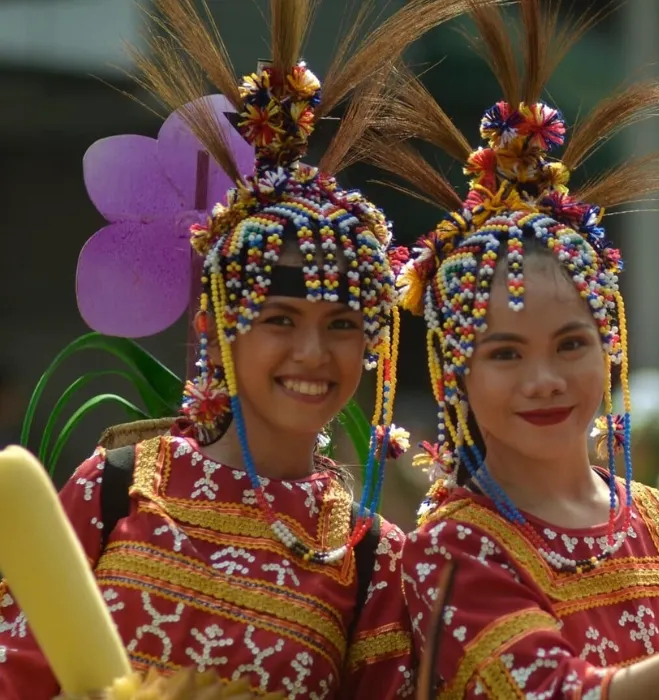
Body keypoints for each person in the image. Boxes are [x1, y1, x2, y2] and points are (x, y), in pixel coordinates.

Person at [367, 1, 659, 697]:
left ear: (610, 347)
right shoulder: (452, 550)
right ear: (455, 374)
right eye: (505, 354)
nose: (545, 379)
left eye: (570, 344)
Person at [0, 1, 472, 696]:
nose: (313, 352)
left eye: (343, 324)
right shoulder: (116, 488)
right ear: (220, 329)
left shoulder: (370, 557)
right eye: (280, 319)